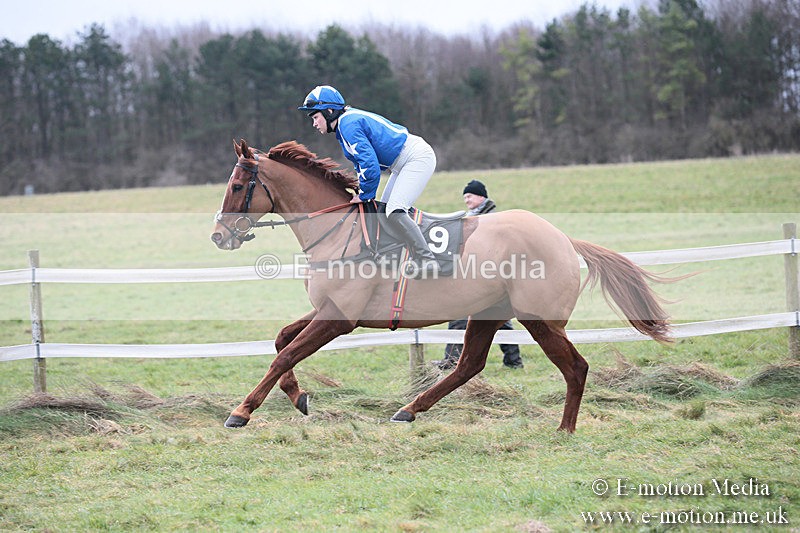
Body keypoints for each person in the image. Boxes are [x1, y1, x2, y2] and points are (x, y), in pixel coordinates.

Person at [298, 85, 438, 278]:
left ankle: (427, 260)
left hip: (416, 158)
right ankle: (399, 255)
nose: (314, 123)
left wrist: (365, 194)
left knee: (394, 210)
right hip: (402, 163)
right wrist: (362, 190)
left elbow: (369, 165)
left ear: (329, 111)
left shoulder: (348, 125)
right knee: (384, 211)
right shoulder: (344, 126)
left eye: (315, 117)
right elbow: (363, 165)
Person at [436, 179, 524, 370]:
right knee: (495, 319)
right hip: (477, 276)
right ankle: (513, 361)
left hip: (485, 276)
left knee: (465, 315)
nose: (466, 200)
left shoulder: (491, 219)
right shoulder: (472, 217)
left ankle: (453, 361)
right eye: (465, 197)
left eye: (470, 196)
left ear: (481, 196)